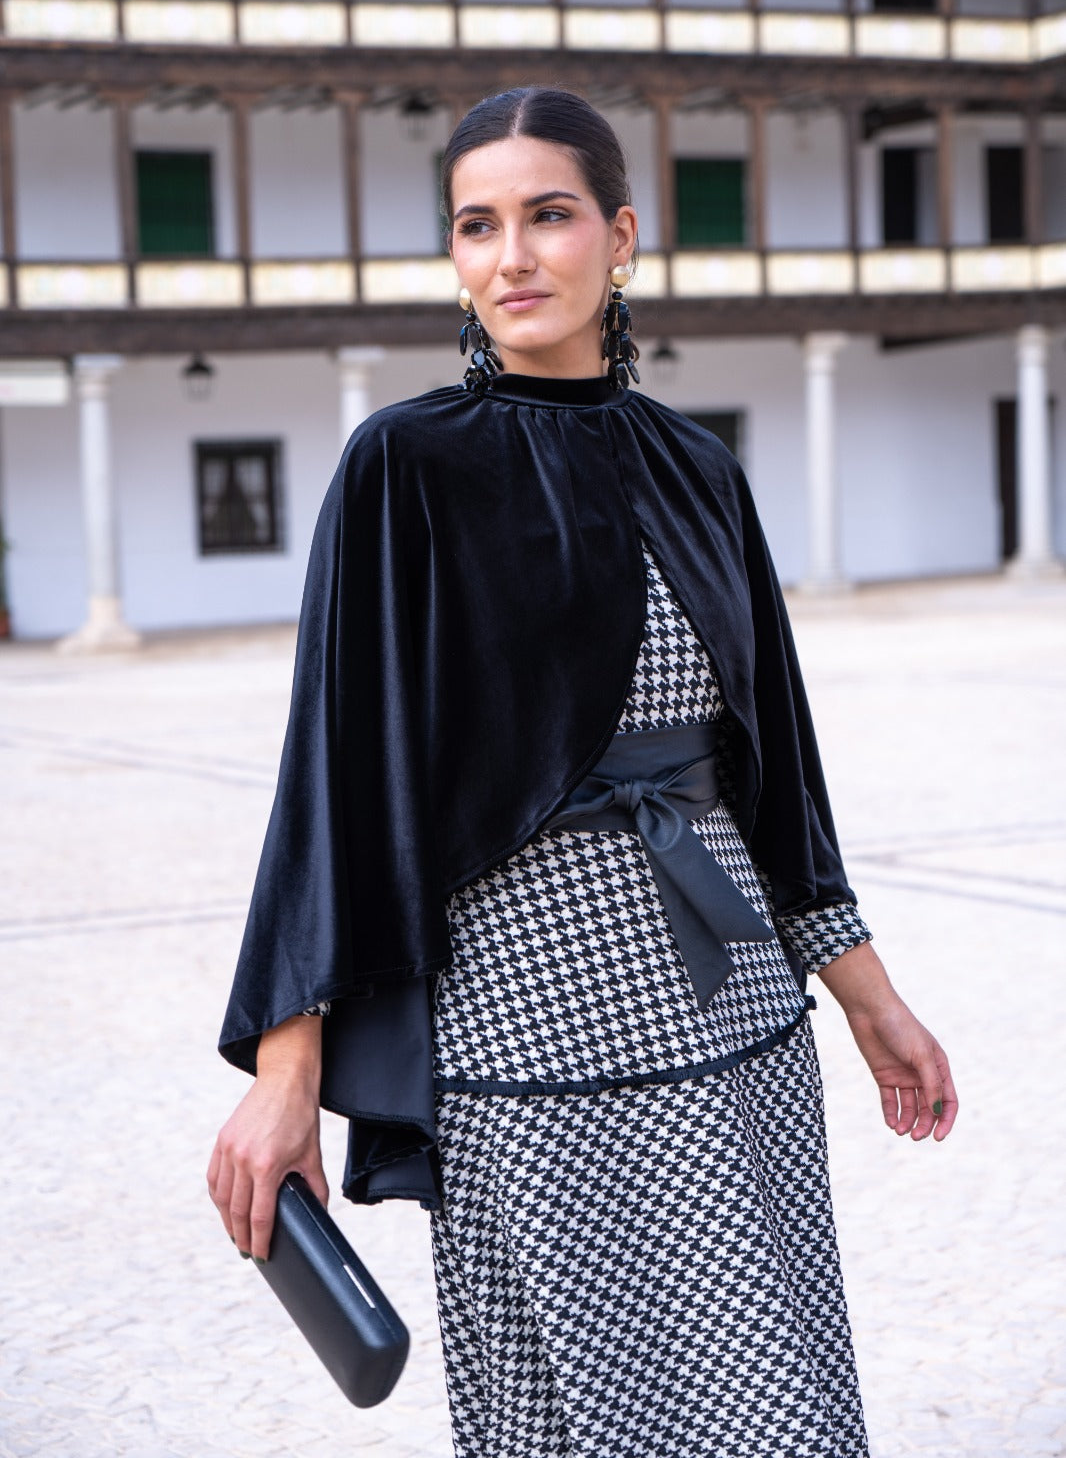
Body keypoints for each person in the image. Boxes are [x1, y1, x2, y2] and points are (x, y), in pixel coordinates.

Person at [208, 86, 958, 1457]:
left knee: (775, 1400)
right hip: (526, 1038)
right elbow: (335, 776)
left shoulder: (698, 467)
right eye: (475, 225)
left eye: (548, 216)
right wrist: (283, 1068)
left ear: (619, 238)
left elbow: (774, 770)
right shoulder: (402, 467)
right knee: (577, 1419)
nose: (511, 256)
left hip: (737, 1016)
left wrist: (870, 999)